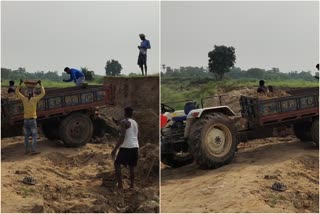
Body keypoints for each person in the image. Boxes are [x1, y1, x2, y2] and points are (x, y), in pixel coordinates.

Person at [111, 107, 139, 189]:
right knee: (131, 166)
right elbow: (138, 136)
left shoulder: (124, 122)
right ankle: (132, 185)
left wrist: (115, 149)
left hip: (126, 146)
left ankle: (120, 185)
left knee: (117, 164)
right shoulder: (135, 123)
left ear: (125, 113)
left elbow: (122, 136)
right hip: (135, 146)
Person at [16, 80, 45, 155]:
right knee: (34, 135)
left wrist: (20, 84)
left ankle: (26, 150)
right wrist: (40, 84)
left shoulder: (24, 99)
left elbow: (17, 92)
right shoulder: (35, 100)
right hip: (32, 120)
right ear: (33, 94)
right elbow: (43, 93)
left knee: (26, 136)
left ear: (26, 94)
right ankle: (33, 150)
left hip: (25, 120)